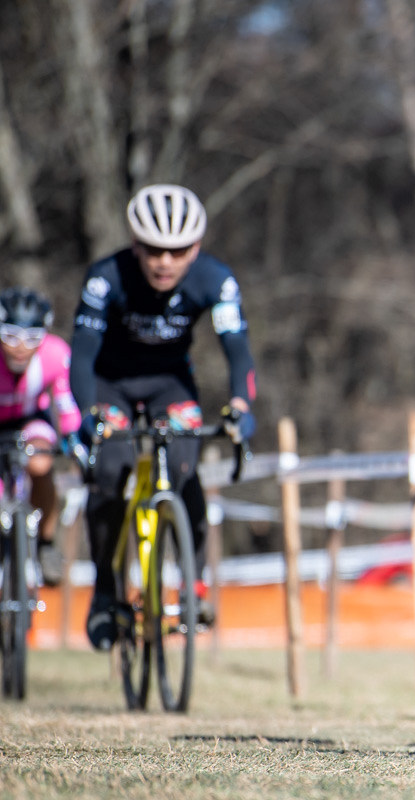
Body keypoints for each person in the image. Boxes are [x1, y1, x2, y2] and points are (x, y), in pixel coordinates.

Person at [70, 183, 256, 651]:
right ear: (135, 244)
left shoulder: (215, 279)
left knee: (185, 466)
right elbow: (82, 356)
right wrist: (87, 411)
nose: (165, 262)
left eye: (178, 250)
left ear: (196, 247)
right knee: (109, 475)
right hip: (110, 382)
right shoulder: (105, 277)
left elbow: (237, 352)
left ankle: (193, 587)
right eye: (153, 249)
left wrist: (241, 405)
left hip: (170, 385)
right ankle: (105, 592)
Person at [0, 288, 82, 586]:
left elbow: (66, 403)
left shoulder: (56, 354)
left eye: (31, 338)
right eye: (10, 336)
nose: (20, 347)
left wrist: (74, 438)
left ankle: (46, 543)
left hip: (31, 419)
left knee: (40, 462)